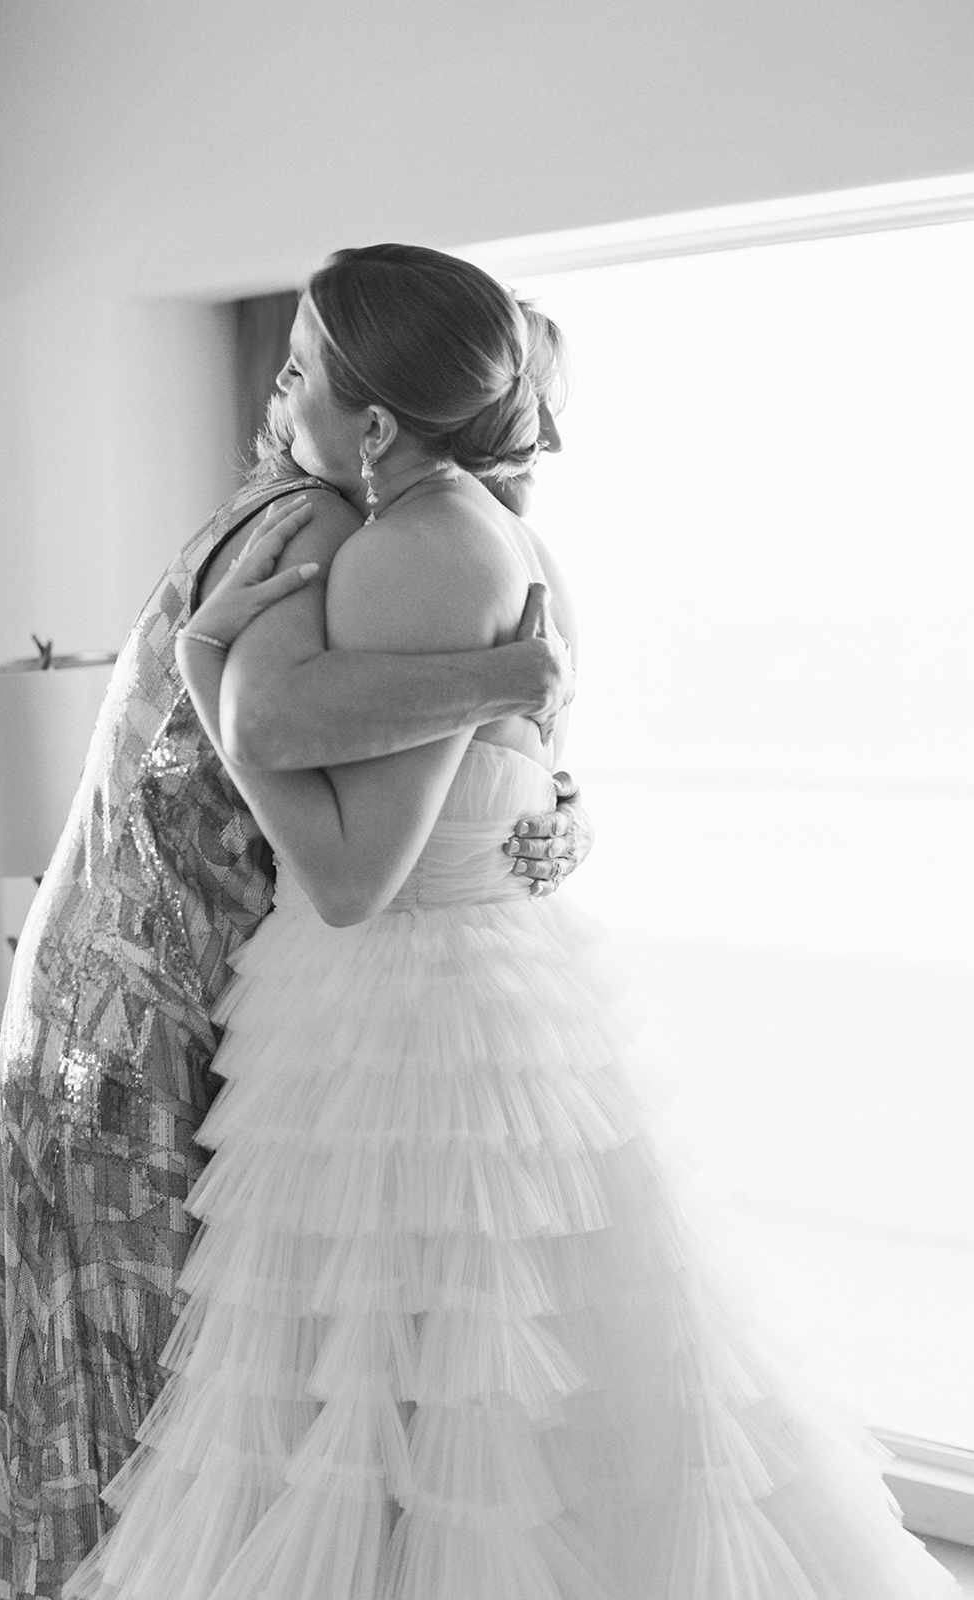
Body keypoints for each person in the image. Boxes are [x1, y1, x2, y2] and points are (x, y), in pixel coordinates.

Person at [65, 244, 957, 1600]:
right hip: (468, 978)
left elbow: (355, 876)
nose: (279, 391)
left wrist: (208, 671)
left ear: (372, 422)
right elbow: (518, 755)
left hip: (404, 1007)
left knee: (421, 1400)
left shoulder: (408, 552)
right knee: (463, 1398)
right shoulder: (490, 528)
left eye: (300, 368)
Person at [0, 305, 589, 1598]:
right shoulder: (332, 535)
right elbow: (332, 824)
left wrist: (537, 831)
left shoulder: (402, 538)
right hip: (161, 1010)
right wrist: (502, 695)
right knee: (188, 1421)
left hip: (133, 995)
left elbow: (516, 796)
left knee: (221, 1411)